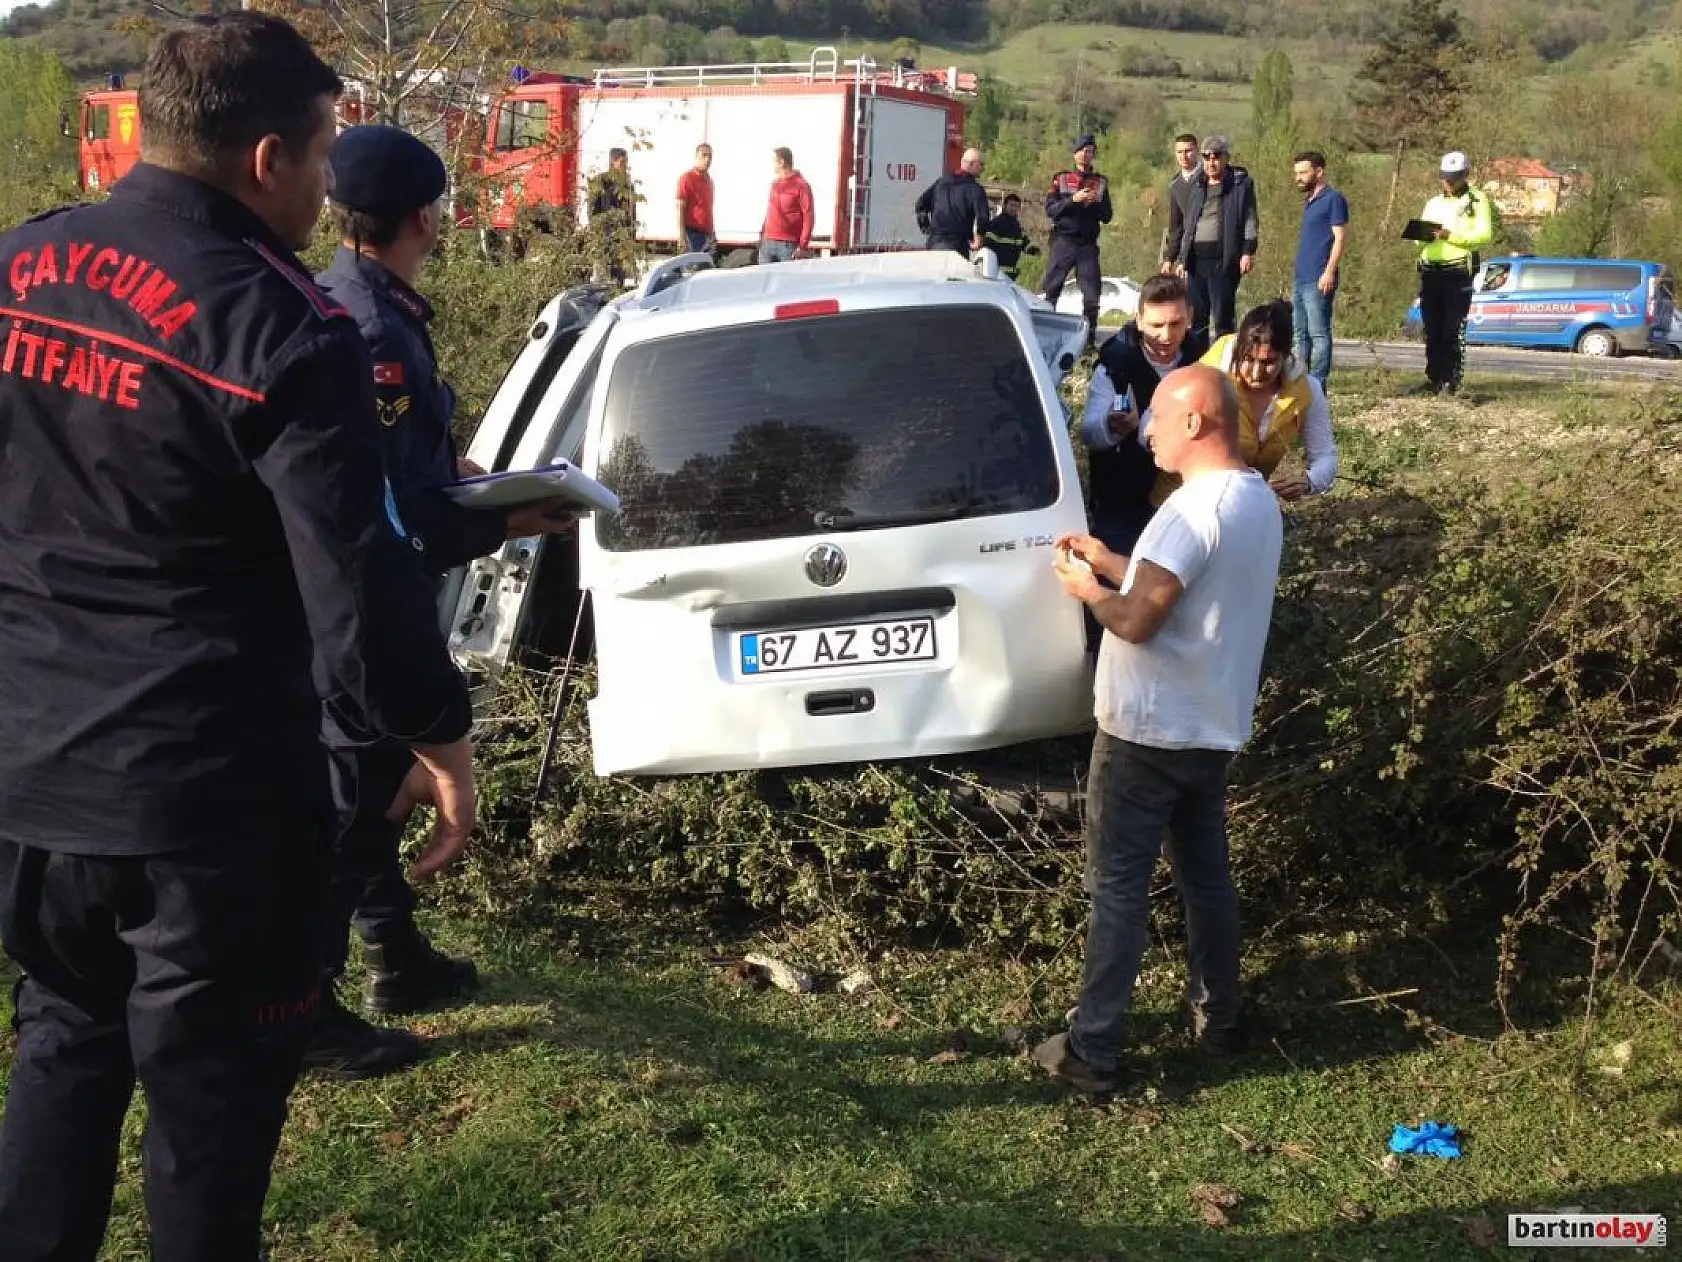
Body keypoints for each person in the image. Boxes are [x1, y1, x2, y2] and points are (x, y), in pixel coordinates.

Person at [0, 13, 477, 1261]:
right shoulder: (284, 326)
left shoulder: (17, 264)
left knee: (63, 1040)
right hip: (207, 799)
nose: (326, 186)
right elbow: (357, 585)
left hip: (35, 771)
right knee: (210, 1104)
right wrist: (436, 732)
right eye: (321, 154)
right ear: (268, 159)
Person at [311, 125, 581, 1079]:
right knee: (352, 798)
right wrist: (502, 520)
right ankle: (308, 1009)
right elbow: (384, 513)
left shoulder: (362, 301)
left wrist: (470, 477)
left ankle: (395, 957)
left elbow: (407, 463)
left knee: (380, 777)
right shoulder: (373, 332)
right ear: (426, 217)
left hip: (375, 594)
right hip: (366, 603)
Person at [1033, 364, 1284, 1094]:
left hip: (1145, 734)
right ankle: (1219, 1019)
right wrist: (1112, 560)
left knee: (1117, 888)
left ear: (1196, 422)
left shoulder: (1190, 510)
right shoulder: (1255, 499)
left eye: (1160, 421)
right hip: (1209, 727)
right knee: (1206, 880)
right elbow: (1177, 583)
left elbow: (1139, 620)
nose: (1148, 435)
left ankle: (1093, 1050)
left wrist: (1087, 591)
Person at [1148, 300, 1338, 509]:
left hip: (1241, 506)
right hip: (1180, 504)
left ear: (1286, 356)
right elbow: (1153, 421)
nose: (1256, 373)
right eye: (1248, 359)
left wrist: (1309, 482)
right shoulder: (1209, 375)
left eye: (1268, 362)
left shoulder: (1306, 391)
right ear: (1238, 349)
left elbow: (1325, 456)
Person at [1080, 273, 1209, 559]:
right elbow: (1088, 433)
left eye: (1175, 324)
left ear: (1190, 317)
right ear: (1139, 320)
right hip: (1121, 498)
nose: (1166, 336)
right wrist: (1111, 425)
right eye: (1156, 325)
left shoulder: (1201, 360)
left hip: (1182, 499)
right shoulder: (1116, 362)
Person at [1163, 135, 1258, 341]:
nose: (1211, 162)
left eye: (1216, 156)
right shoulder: (1197, 185)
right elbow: (1184, 225)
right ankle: (1200, 358)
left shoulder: (1240, 184)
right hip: (1196, 261)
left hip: (1223, 259)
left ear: (1226, 158)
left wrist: (1247, 251)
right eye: (1206, 157)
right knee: (1196, 318)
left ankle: (1224, 359)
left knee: (1223, 317)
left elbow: (1250, 220)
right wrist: (1178, 258)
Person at [1416, 149, 1495, 396]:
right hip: (1430, 269)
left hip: (1458, 270)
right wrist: (1422, 236)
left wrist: (1450, 236)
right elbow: (1418, 238)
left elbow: (1484, 235)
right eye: (1445, 177)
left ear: (1465, 174)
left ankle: (1451, 381)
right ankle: (1433, 378)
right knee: (1432, 328)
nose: (1448, 182)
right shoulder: (1433, 203)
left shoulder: (1477, 200)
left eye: (1454, 177)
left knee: (1452, 329)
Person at [1042, 133, 1114, 346]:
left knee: (1092, 295)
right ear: (1075, 154)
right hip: (1064, 240)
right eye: (1082, 150)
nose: (1086, 155)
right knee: (1051, 289)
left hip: (1087, 244)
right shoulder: (1061, 179)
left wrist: (1096, 202)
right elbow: (1051, 210)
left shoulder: (1100, 182)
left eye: (1090, 151)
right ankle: (1044, 334)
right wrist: (1073, 199)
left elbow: (1107, 216)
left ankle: (1089, 340)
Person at [1290, 150, 1348, 389]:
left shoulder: (1334, 199)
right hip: (1301, 277)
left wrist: (1329, 271)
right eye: (1296, 173)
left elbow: (1340, 238)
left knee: (1319, 334)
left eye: (1303, 172)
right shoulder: (1310, 201)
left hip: (1318, 277)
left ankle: (1317, 385)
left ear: (1319, 172)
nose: (1298, 178)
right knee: (1299, 334)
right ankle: (1299, 383)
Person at [914, 147, 989, 256]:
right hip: (958, 245)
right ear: (972, 164)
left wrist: (927, 229)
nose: (983, 168)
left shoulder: (941, 183)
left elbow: (920, 204)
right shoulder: (975, 189)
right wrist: (978, 240)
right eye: (981, 164)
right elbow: (983, 218)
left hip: (935, 243)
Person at [588, 146, 635, 283]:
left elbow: (631, 210)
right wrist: (597, 231)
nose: (625, 166)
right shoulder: (599, 181)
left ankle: (618, 288)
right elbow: (592, 210)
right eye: (622, 162)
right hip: (604, 233)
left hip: (622, 235)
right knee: (601, 272)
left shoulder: (627, 184)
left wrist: (631, 232)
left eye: (626, 162)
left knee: (619, 273)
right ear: (612, 162)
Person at [759, 147, 814, 264]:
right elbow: (770, 210)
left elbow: (808, 216)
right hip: (768, 242)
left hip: (788, 244)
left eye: (774, 161)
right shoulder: (775, 184)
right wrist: (762, 233)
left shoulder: (801, 185)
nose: (772, 165)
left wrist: (803, 245)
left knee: (787, 276)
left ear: (782, 162)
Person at [1159, 133, 1199, 270]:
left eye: (1188, 151)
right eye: (1179, 152)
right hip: (1188, 252)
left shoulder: (1209, 178)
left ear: (1197, 151)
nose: (1184, 156)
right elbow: (1176, 226)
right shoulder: (1175, 185)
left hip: (1212, 247)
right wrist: (1169, 258)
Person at [982, 192, 1038, 281]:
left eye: (1016, 206)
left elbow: (1022, 243)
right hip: (996, 273)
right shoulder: (996, 223)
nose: (1014, 209)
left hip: (1010, 275)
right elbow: (987, 247)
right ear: (1004, 206)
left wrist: (1032, 250)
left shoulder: (1017, 226)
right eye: (1011, 205)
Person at [676, 142, 715, 256]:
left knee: (707, 265)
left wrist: (712, 232)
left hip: (707, 234)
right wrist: (681, 235)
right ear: (696, 156)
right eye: (704, 155)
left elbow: (708, 208)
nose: (707, 160)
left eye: (710, 156)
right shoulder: (687, 178)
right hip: (692, 233)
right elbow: (680, 207)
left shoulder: (709, 181)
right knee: (693, 265)